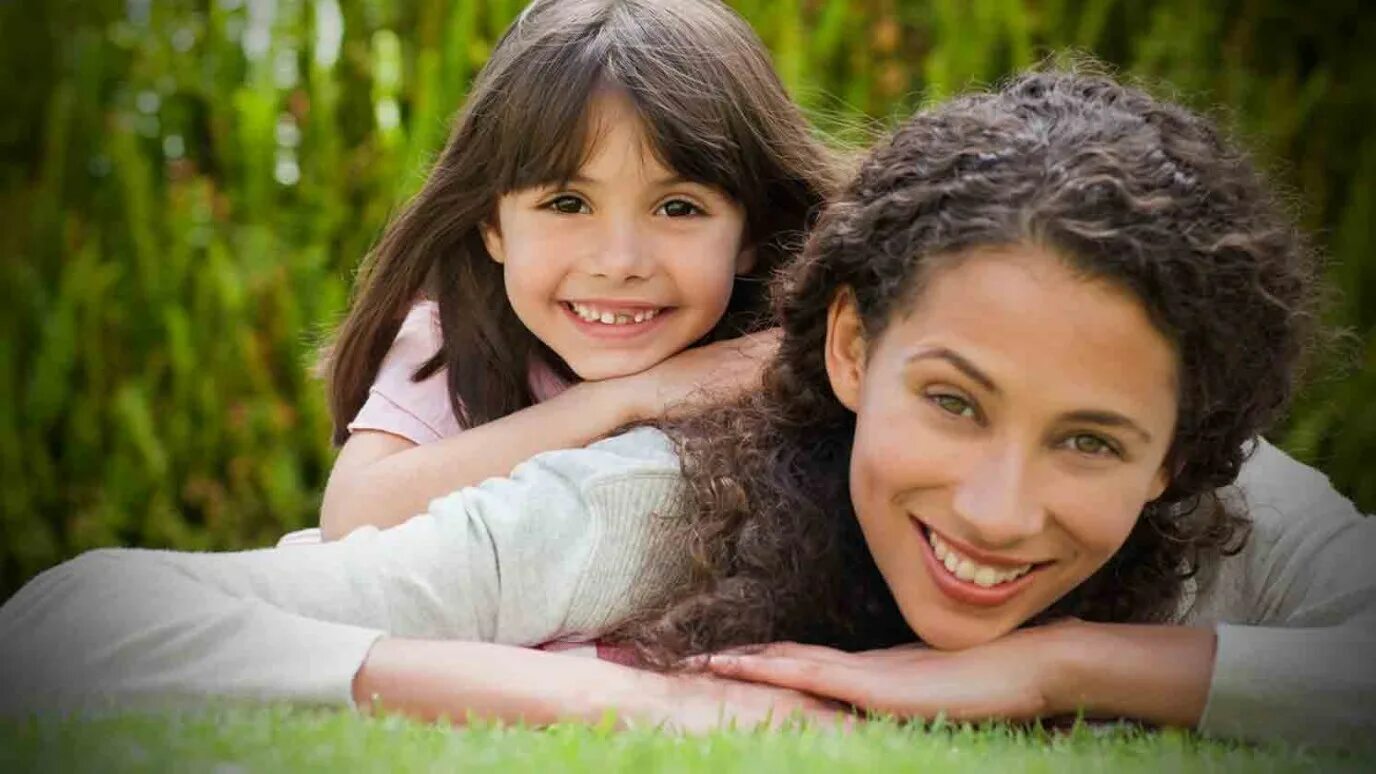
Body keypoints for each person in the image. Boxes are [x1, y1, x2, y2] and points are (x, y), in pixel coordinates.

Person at [2, 70, 1372, 748]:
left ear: (1183, 443)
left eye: (1091, 440)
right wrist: (674, 711)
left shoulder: (1228, 499)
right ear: (847, 347)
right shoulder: (658, 501)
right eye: (953, 402)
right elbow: (76, 626)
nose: (1000, 509)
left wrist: (1058, 667)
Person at [301, 0, 839, 542]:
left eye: (678, 208)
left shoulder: (776, 362)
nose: (619, 262)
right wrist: (623, 399)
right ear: (493, 225)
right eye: (568, 204)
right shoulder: (450, 349)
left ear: (749, 235)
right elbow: (350, 519)